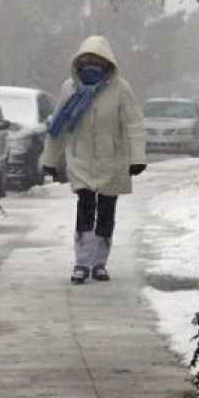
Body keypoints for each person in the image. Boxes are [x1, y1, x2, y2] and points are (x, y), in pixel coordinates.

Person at [41, 35, 147, 284]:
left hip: (113, 161)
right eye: (86, 60)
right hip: (80, 159)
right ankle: (82, 261)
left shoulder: (121, 89)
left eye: (96, 61)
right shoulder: (70, 88)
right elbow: (58, 125)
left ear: (107, 64)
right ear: (78, 62)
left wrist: (137, 157)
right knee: (85, 206)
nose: (91, 65)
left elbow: (134, 124)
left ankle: (100, 262)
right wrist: (50, 159)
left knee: (107, 210)